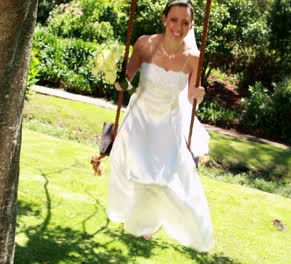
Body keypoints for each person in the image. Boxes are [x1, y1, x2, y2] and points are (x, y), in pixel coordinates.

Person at [106, 0, 214, 252]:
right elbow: (127, 80)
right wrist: (117, 79)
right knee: (137, 170)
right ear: (164, 19)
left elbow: (190, 97)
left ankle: (152, 220)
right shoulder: (145, 43)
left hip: (168, 119)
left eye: (185, 22)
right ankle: (146, 220)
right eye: (174, 19)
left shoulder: (193, 57)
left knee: (165, 177)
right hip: (141, 115)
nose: (178, 26)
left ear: (191, 25)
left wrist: (199, 94)